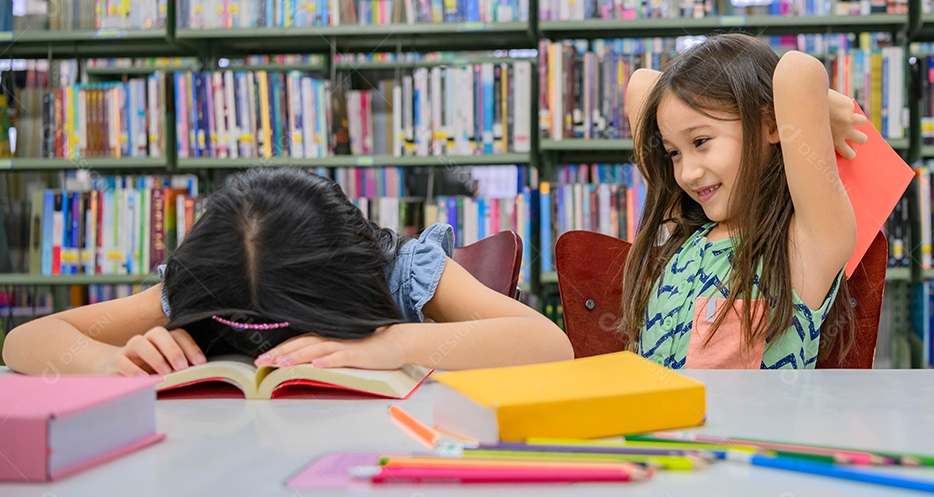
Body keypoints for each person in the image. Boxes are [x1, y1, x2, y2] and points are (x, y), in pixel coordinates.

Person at [2, 167, 573, 376]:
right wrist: (103, 361)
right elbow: (27, 339)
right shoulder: (207, 283)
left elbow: (549, 344)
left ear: (352, 285)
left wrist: (390, 343)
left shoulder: (397, 270)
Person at [621, 33, 867, 369]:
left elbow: (797, 73)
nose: (687, 173)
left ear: (771, 123)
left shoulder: (802, 247)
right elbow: (641, 84)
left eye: (702, 141)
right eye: (674, 153)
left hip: (748, 425)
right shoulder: (687, 228)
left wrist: (820, 104)